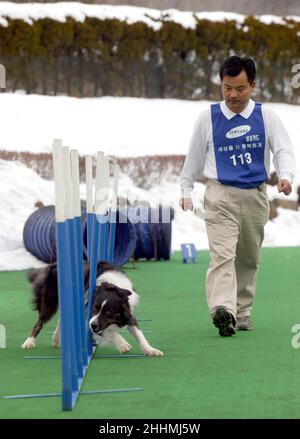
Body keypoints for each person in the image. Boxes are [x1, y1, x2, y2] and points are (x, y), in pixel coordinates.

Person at [179, 55, 295, 337]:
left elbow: (283, 150)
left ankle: (242, 312)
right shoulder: (208, 117)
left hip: (255, 197)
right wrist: (185, 188)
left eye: (239, 88)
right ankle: (223, 309)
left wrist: (286, 176)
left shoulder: (267, 116)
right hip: (219, 196)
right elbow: (194, 156)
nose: (232, 94)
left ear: (253, 86)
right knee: (222, 256)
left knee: (248, 258)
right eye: (227, 87)